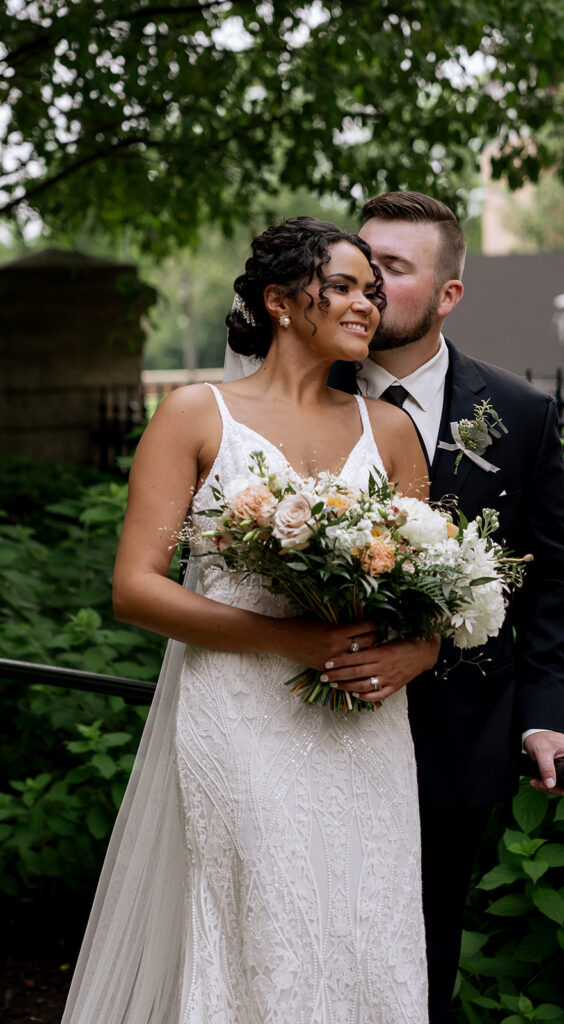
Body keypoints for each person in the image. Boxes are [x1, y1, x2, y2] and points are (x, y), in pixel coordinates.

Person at [61, 217, 439, 1024]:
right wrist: (288, 637)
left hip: (365, 720)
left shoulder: (393, 428)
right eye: (340, 287)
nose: (365, 305)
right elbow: (134, 589)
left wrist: (423, 649)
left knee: (370, 919)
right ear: (277, 301)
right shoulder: (197, 416)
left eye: (371, 291)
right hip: (239, 715)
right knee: (266, 917)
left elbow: (427, 587)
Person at [332, 191, 564, 1023]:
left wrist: (545, 714)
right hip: (311, 733)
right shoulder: (298, 398)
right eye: (360, 265)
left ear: (448, 295)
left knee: (419, 965)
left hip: (456, 747)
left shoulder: (517, 413)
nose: (367, 287)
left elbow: (551, 580)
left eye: (393, 270)